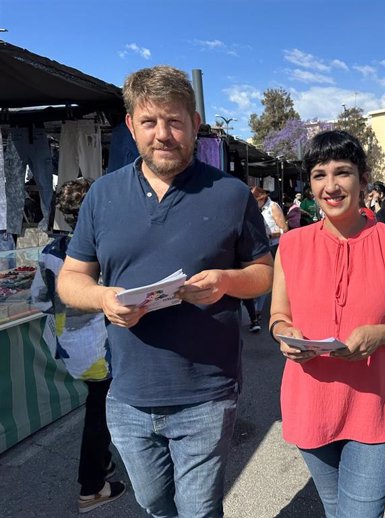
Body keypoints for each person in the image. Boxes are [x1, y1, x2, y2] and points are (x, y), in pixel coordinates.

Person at [57, 65, 273, 518]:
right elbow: (70, 279)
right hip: (128, 393)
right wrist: (104, 299)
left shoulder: (230, 194)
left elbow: (264, 273)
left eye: (175, 121)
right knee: (155, 504)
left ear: (195, 124)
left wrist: (226, 282)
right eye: (150, 122)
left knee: (197, 509)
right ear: (131, 126)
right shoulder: (102, 195)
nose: (163, 135)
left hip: (207, 391)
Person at [269, 130, 385, 518]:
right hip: (310, 403)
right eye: (319, 175)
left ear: (362, 178)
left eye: (342, 172)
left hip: (376, 406)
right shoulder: (291, 245)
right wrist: (284, 335)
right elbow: (278, 316)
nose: (331, 185)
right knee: (336, 509)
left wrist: (382, 334)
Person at [31, 178, 127, 514]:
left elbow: (39, 299)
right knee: (100, 413)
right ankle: (91, 486)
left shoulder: (49, 252)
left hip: (69, 345)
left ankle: (102, 464)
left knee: (96, 402)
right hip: (101, 346)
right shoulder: (105, 249)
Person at [252, 186, 288, 254]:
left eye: (255, 202)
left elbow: (284, 229)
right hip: (267, 245)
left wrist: (270, 235)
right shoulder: (261, 209)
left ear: (262, 199)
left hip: (275, 245)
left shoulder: (273, 207)